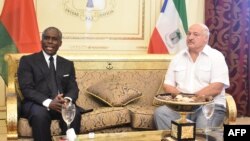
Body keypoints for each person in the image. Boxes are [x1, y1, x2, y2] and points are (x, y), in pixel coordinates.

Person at [154, 23, 230, 130]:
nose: (190, 37)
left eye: (195, 34)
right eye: (189, 34)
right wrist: (182, 99)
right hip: (181, 106)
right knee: (161, 113)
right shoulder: (178, 57)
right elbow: (168, 84)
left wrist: (192, 99)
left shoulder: (216, 56)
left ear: (206, 38)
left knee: (202, 129)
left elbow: (216, 87)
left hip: (208, 106)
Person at [17, 27, 83, 141]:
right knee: (40, 115)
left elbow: (73, 87)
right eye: (46, 38)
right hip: (37, 104)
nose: (50, 42)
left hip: (61, 105)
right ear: (41, 41)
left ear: (60, 43)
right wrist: (49, 102)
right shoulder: (27, 61)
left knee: (74, 113)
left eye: (54, 39)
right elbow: (26, 88)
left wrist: (67, 100)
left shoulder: (67, 64)